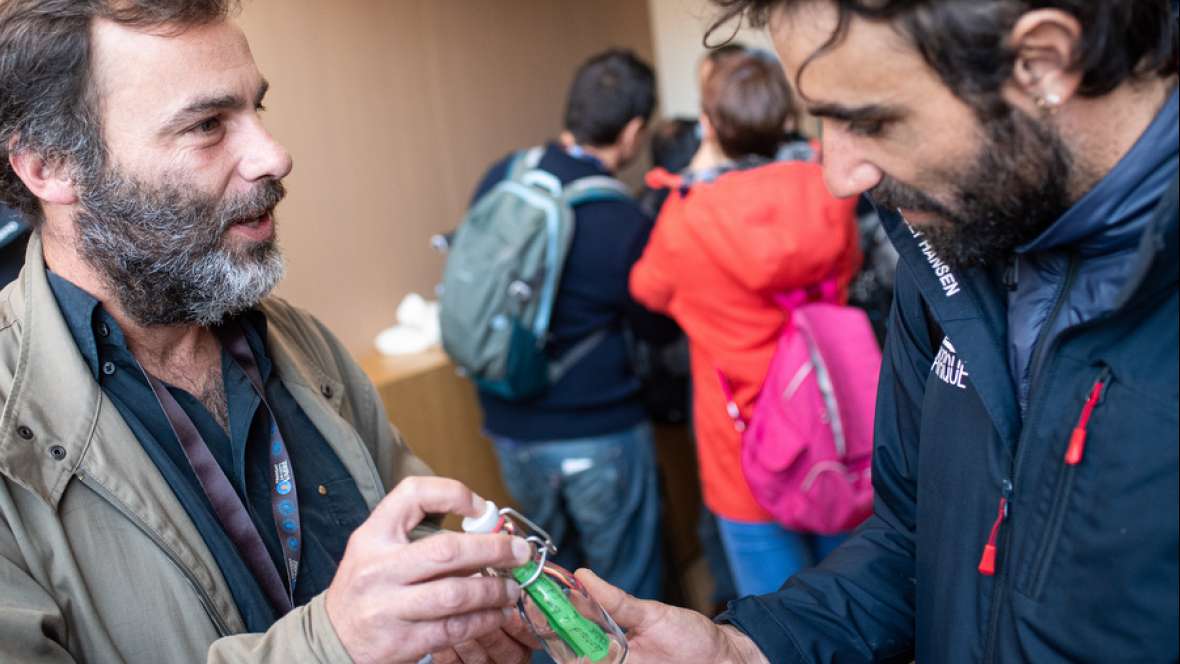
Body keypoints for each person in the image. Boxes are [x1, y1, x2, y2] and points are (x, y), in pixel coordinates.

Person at [582, 0, 1180, 662]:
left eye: (866, 119)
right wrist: (745, 649)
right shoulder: (956, 250)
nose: (839, 179)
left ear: (1043, 62)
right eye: (819, 119)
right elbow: (912, 540)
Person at [0, 2, 535, 663]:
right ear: (50, 168)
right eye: (206, 125)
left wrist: (456, 614)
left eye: (257, 110)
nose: (274, 156)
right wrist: (332, 645)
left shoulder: (302, 346)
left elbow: (410, 556)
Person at [631, 51, 861, 598]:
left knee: (778, 620)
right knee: (851, 606)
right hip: (834, 430)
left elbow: (646, 289)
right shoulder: (831, 188)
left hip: (744, 450)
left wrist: (699, 169)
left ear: (710, 126)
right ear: (786, 118)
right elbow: (850, 267)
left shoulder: (688, 215)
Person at [466, 50, 674, 603]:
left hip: (511, 427)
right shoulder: (623, 218)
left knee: (548, 587)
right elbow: (655, 329)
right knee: (624, 592)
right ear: (632, 131)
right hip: (600, 431)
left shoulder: (505, 175)